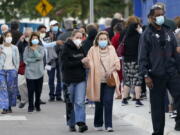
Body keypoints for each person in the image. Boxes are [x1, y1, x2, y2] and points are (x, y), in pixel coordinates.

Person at [138, 6, 180, 134]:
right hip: (155, 75)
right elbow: (142, 57)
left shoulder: (168, 32)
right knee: (157, 107)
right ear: (151, 18)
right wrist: (145, 75)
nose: (161, 17)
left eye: (162, 14)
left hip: (172, 72)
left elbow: (175, 52)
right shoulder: (146, 35)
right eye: (158, 15)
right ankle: (158, 132)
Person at [82, 31, 121, 132]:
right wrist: (85, 62)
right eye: (101, 39)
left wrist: (110, 70)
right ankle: (98, 123)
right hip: (97, 80)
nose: (103, 41)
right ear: (97, 40)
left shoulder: (111, 49)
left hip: (110, 80)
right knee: (99, 103)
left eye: (105, 39)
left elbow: (117, 63)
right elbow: (88, 64)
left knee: (108, 101)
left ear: (108, 40)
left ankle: (109, 125)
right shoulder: (92, 50)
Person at [61, 30, 88, 132]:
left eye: (81, 38)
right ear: (72, 37)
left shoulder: (81, 48)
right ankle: (71, 123)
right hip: (69, 80)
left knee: (80, 102)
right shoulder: (65, 48)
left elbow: (84, 60)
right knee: (70, 102)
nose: (79, 40)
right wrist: (80, 62)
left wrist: (86, 63)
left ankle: (81, 123)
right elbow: (65, 65)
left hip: (81, 79)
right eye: (77, 37)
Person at [120, 16, 143, 107]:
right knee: (137, 80)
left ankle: (124, 99)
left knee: (127, 80)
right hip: (136, 60)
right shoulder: (138, 36)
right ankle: (137, 100)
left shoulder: (124, 34)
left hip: (126, 60)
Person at [37, 24, 63, 102]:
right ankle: (51, 95)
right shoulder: (44, 38)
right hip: (49, 62)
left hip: (58, 60)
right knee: (51, 79)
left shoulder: (60, 36)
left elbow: (61, 47)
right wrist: (53, 41)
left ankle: (58, 95)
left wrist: (56, 41)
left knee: (59, 78)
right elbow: (46, 46)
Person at [23, 32, 44, 112]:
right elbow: (25, 60)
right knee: (31, 90)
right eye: (33, 38)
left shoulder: (41, 48)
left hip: (39, 72)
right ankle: (30, 106)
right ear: (30, 40)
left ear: (38, 39)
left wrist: (35, 50)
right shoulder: (27, 48)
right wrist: (35, 60)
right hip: (29, 72)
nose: (35, 40)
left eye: (36, 38)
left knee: (38, 90)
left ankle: (37, 104)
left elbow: (40, 57)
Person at [0, 31, 19, 114]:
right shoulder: (0, 47)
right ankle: (4, 107)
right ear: (4, 37)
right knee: (3, 88)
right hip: (1, 70)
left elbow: (17, 60)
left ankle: (9, 106)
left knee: (10, 89)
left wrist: (16, 69)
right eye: (7, 36)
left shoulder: (15, 48)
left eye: (10, 36)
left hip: (12, 70)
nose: (9, 37)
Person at [16, 27, 33, 108]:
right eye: (26, 33)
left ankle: (31, 102)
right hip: (23, 65)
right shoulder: (22, 42)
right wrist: (20, 41)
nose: (27, 35)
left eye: (29, 34)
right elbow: (15, 49)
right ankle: (24, 99)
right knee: (20, 83)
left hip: (33, 66)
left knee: (31, 84)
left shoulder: (35, 41)